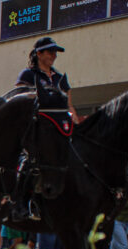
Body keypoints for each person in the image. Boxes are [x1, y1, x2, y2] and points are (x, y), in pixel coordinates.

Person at [11, 37, 79, 221]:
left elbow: (69, 105)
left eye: (55, 52)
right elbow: (20, 104)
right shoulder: (27, 75)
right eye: (50, 52)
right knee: (29, 160)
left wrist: (74, 117)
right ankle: (20, 203)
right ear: (39, 53)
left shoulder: (59, 78)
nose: (53, 56)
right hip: (35, 129)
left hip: (58, 131)